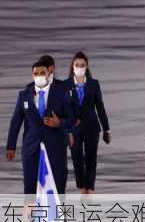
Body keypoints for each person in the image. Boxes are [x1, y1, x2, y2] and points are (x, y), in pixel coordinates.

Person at [6, 61, 74, 195]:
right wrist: (11, 146)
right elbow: (16, 122)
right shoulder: (24, 95)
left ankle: (57, 215)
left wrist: (59, 122)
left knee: (57, 187)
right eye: (35, 73)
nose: (39, 76)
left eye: (42, 73)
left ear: (49, 74)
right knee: (30, 189)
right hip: (31, 147)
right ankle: (29, 216)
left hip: (55, 146)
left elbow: (72, 119)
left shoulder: (61, 93)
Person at [65, 52, 111, 194]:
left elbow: (100, 106)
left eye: (82, 65)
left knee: (91, 158)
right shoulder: (65, 85)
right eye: (77, 65)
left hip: (91, 126)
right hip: (74, 128)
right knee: (77, 157)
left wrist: (106, 129)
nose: (79, 67)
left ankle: (90, 188)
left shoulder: (93, 84)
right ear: (73, 67)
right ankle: (82, 187)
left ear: (87, 66)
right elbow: (63, 107)